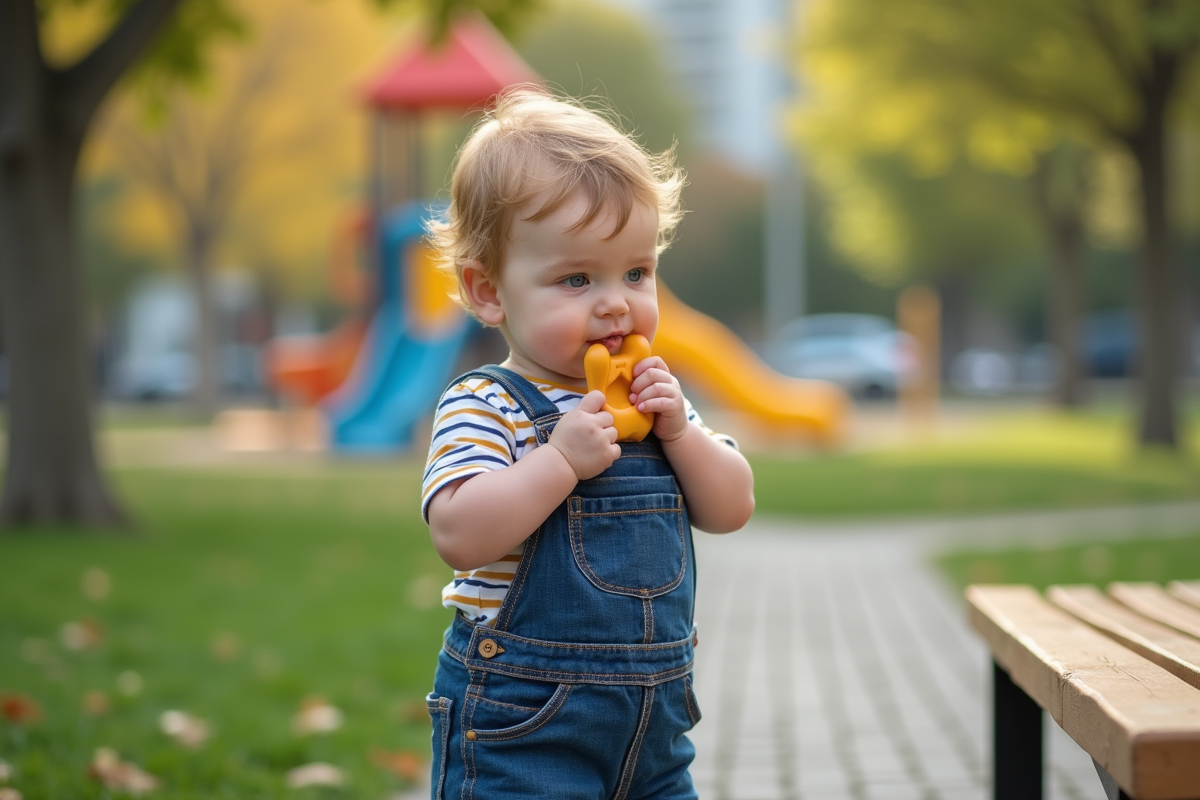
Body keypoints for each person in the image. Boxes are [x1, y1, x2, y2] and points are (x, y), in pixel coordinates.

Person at [421, 86, 755, 800]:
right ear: (489, 293)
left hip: (656, 731)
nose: (615, 301)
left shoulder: (651, 395)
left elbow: (732, 507)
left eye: (636, 272)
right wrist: (558, 462)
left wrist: (680, 436)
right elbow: (458, 530)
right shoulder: (487, 404)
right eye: (576, 278)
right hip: (525, 726)